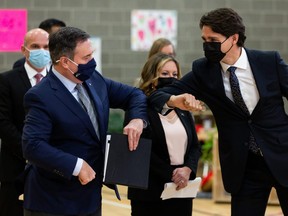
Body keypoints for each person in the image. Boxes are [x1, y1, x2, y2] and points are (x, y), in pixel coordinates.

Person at [148, 7, 288, 216]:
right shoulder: (203, 71)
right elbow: (158, 96)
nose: (207, 45)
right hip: (244, 167)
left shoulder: (269, 61)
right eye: (204, 40)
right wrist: (176, 100)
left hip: (282, 156)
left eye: (212, 40)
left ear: (234, 38)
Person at [21, 26, 147, 216]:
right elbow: (32, 145)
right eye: (86, 58)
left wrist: (137, 120)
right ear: (65, 62)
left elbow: (135, 95)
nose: (92, 62)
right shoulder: (41, 96)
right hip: (53, 201)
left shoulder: (94, 79)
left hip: (91, 197)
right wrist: (76, 165)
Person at [128, 53, 201, 216]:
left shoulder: (183, 109)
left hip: (181, 190)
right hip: (149, 191)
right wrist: (173, 174)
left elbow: (195, 146)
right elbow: (140, 149)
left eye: (175, 74)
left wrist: (188, 169)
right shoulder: (140, 107)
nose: (171, 78)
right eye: (165, 74)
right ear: (152, 77)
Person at [0, 28, 50, 216]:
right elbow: (3, 123)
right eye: (35, 46)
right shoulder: (7, 80)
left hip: (51, 170)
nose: (42, 51)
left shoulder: (58, 80)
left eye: (46, 47)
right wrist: (30, 149)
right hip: (15, 167)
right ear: (24, 49)